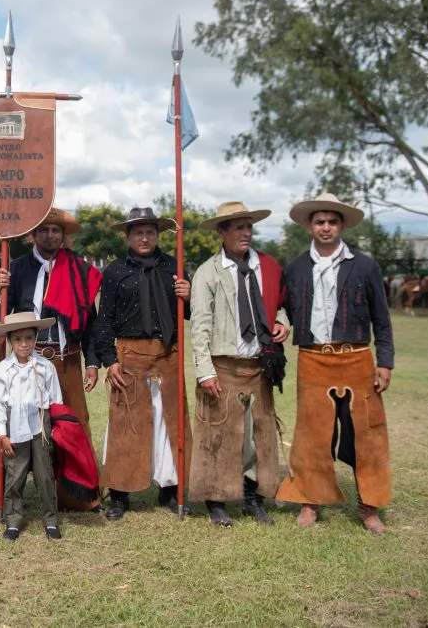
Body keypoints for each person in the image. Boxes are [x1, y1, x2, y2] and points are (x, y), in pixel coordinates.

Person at [275, 193, 394, 534]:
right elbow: (283, 306)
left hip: (357, 357)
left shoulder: (365, 265)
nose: (325, 227)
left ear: (341, 225)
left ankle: (368, 505)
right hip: (313, 358)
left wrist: (384, 361)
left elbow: (381, 319)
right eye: (319, 221)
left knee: (366, 434)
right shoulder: (296, 267)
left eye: (332, 221)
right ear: (309, 227)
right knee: (312, 434)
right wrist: (282, 320)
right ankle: (310, 502)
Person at [0, 208, 103, 513]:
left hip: (67, 359)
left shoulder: (79, 269)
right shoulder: (16, 268)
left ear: (64, 235)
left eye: (56, 230)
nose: (50, 235)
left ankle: (79, 497)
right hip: (26, 358)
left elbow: (90, 321)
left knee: (73, 426)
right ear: (33, 234)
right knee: (13, 419)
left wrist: (92, 363)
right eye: (44, 230)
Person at [189, 201, 289, 526]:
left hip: (259, 365)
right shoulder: (207, 272)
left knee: (259, 435)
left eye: (249, 227)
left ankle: (253, 497)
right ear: (222, 232)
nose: (246, 233)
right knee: (217, 434)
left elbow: (280, 304)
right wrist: (205, 370)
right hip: (223, 365)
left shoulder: (268, 267)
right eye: (238, 227)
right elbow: (200, 325)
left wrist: (283, 321)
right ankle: (215, 500)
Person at [92, 207, 191, 520]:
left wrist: (188, 296)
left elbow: (189, 315)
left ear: (158, 234)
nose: (145, 238)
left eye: (150, 232)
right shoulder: (114, 271)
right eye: (138, 232)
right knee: (126, 425)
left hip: (168, 353)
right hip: (130, 355)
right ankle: (120, 494)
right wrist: (109, 360)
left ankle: (171, 489)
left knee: (170, 422)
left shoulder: (174, 268)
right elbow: (104, 320)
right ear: (128, 236)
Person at [0, 312, 64, 541]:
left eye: (29, 338)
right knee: (15, 474)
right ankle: (12, 521)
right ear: (10, 340)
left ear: (35, 338)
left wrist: (55, 429)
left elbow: (56, 401)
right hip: (15, 425)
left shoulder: (46, 367)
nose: (24, 344)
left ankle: (50, 521)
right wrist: (3, 435)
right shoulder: (1, 371)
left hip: (41, 424)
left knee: (45, 475)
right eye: (18, 339)